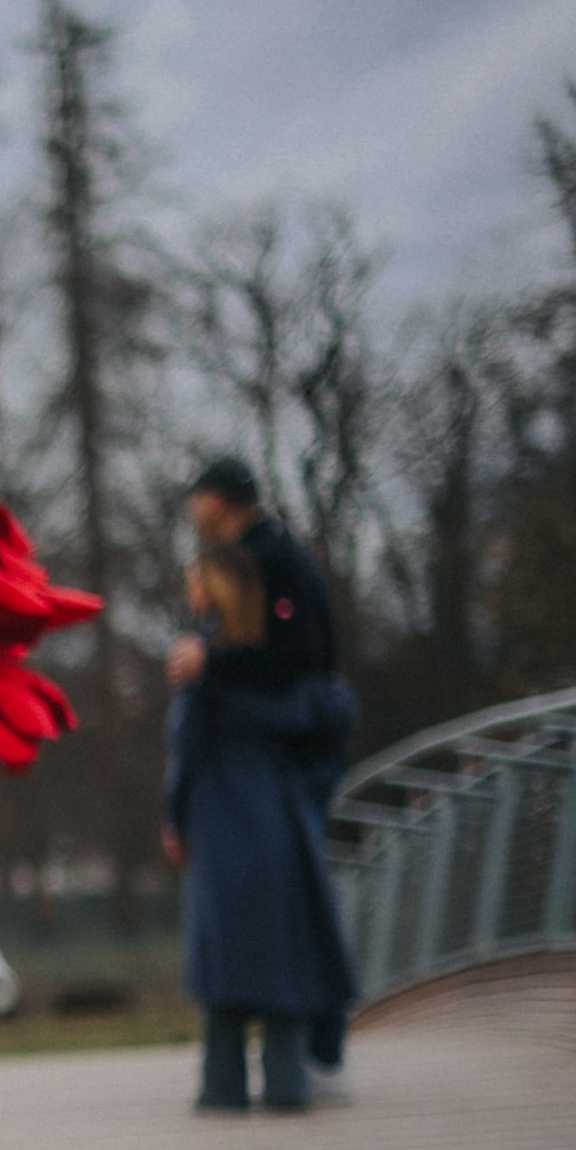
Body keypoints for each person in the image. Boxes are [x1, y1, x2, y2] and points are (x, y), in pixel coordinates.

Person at [167, 457, 356, 1093]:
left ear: (219, 500)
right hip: (282, 771)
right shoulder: (272, 558)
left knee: (260, 924)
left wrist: (210, 668)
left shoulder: (269, 561)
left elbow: (297, 658)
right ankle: (298, 1062)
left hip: (262, 782)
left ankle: (292, 1062)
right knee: (295, 918)